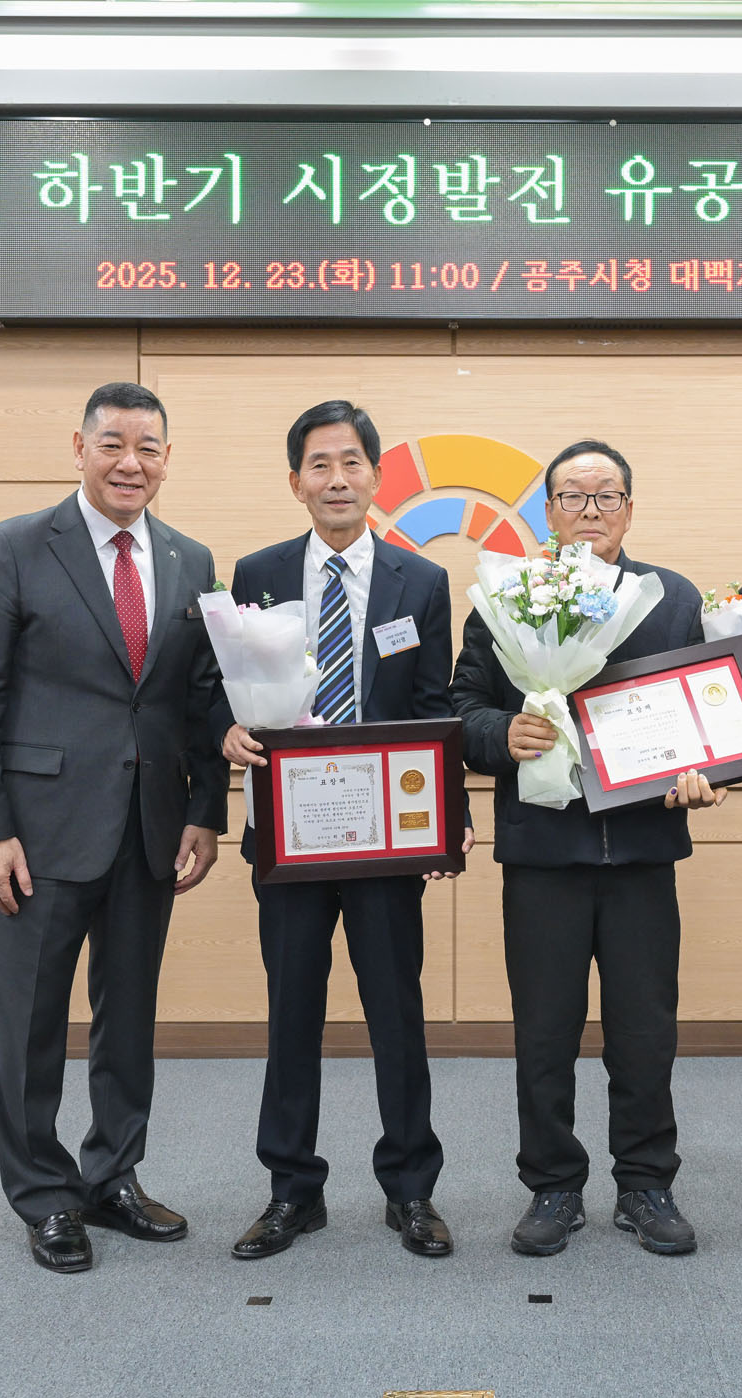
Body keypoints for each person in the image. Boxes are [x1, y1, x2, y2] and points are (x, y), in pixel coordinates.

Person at [0, 381, 226, 1274]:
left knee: (129, 1015)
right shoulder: (18, 546)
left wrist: (205, 811)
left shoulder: (190, 558)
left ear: (168, 459)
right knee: (31, 1021)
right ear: (80, 448)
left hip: (151, 828)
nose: (130, 463)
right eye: (113, 445)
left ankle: (112, 1176)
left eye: (148, 447)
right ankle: (43, 1194)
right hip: (40, 832)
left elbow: (202, 700)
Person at [450, 439, 722, 1258]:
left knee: (646, 1033)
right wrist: (504, 733)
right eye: (574, 496)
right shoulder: (506, 596)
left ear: (629, 510)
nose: (591, 511)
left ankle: (645, 1183)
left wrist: (707, 770)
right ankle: (553, 1186)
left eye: (607, 496)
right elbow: (462, 708)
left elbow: (708, 706)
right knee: (544, 1033)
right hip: (543, 853)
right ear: (548, 513)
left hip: (641, 852)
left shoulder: (669, 597)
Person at [220, 400, 462, 1261]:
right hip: (288, 836)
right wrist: (225, 732)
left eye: (352, 462)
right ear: (296, 482)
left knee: (397, 1012)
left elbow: (435, 710)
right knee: (292, 1012)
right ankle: (293, 1190)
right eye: (319, 465)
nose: (336, 479)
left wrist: (449, 822)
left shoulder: (420, 582)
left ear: (376, 476)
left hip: (385, 840)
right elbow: (221, 686)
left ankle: (412, 1191)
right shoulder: (257, 572)